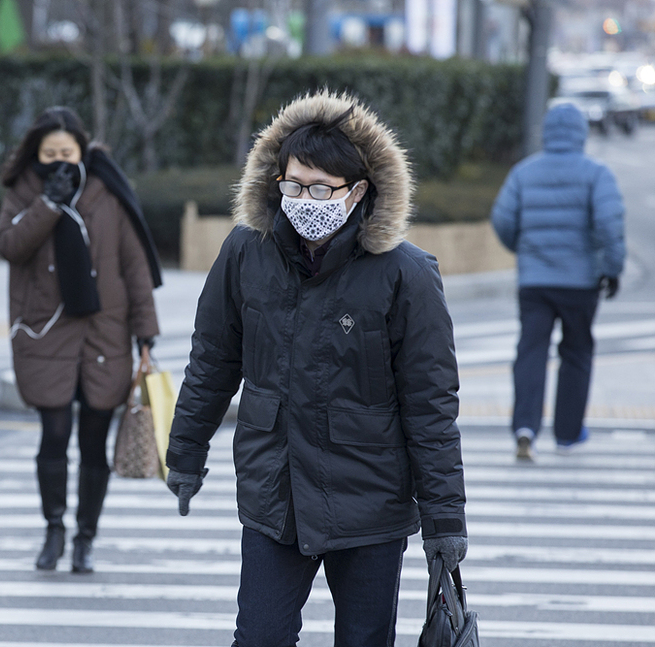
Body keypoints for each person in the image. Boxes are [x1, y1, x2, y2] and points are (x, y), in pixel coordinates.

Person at [165, 90, 468, 647]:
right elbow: (212, 360)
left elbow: (431, 405)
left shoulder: (406, 274)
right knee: (258, 637)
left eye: (321, 188)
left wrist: (445, 521)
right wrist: (185, 451)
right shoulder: (243, 253)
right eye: (293, 185)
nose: (305, 199)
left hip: (370, 501)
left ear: (357, 191)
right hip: (273, 494)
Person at [0, 106, 161, 573]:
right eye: (49, 153)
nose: (58, 160)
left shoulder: (107, 190)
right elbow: (9, 246)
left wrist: (146, 332)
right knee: (54, 434)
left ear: (82, 149)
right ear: (36, 153)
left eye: (66, 152)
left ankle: (86, 536)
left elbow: (134, 267)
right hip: (44, 328)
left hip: (104, 331)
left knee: (92, 440)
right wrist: (47, 203)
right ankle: (54, 529)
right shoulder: (22, 189)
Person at [491, 102, 625, 461]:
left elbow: (502, 220)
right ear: (581, 133)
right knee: (577, 352)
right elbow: (610, 226)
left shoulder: (523, 173)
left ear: (546, 132)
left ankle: (525, 427)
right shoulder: (597, 174)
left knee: (531, 351)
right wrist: (611, 269)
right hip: (580, 282)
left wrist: (524, 249)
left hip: (534, 281)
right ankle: (567, 434)